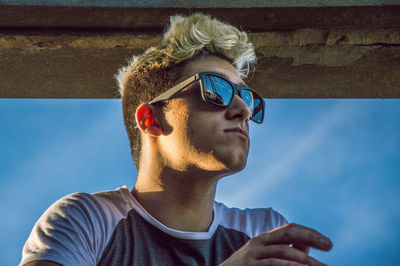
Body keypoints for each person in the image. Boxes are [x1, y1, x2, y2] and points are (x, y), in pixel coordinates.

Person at [20, 13, 332, 266]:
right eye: (215, 90)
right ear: (151, 119)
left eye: (245, 97)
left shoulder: (260, 232)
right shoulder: (87, 220)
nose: (242, 110)